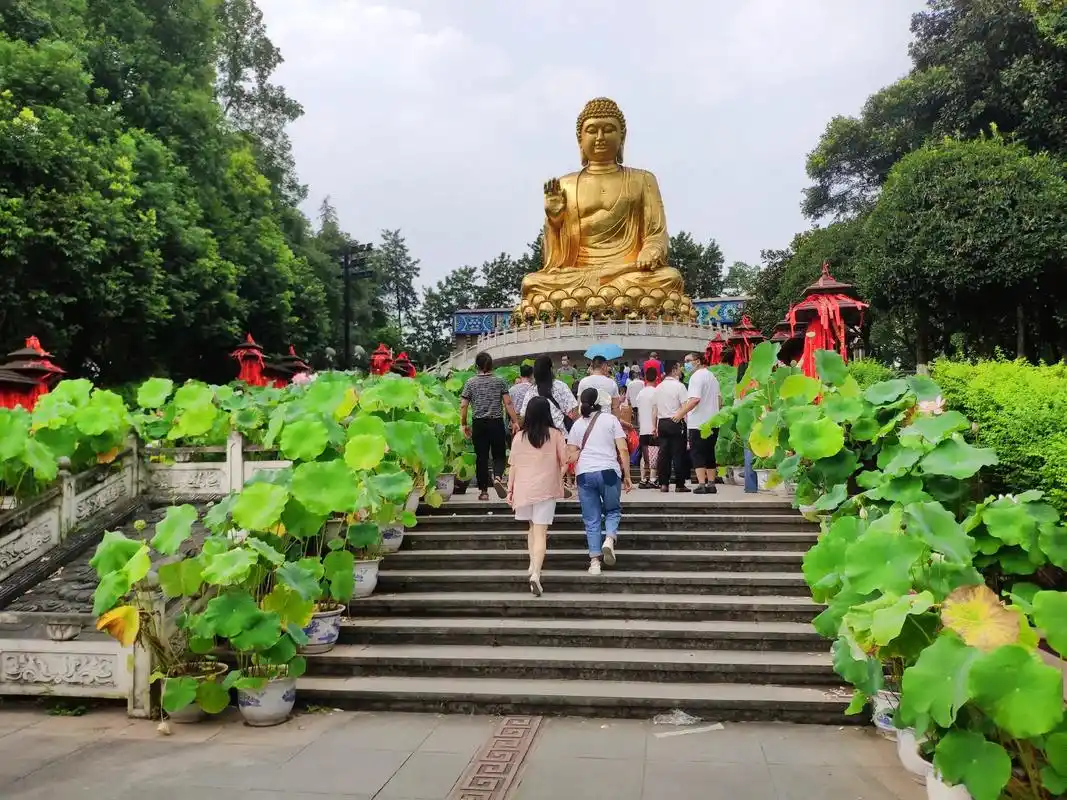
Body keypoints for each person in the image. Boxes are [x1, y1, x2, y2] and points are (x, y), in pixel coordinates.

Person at [567, 388, 632, 575]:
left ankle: (594, 562)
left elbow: (569, 456)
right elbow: (623, 449)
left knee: (591, 519)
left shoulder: (577, 424)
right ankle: (610, 539)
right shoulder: (611, 419)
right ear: (600, 401)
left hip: (585, 475)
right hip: (609, 472)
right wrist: (627, 475)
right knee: (612, 510)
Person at [507, 396, 567, 597]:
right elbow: (564, 461)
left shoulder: (519, 437)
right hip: (546, 489)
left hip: (524, 489)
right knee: (541, 532)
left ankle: (532, 565)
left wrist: (509, 491)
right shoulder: (556, 435)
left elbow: (513, 466)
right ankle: (536, 574)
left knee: (531, 528)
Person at [460, 352, 520, 501]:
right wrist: (515, 421)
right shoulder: (500, 382)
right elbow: (508, 403)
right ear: (491, 365)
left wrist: (464, 424)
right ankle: (498, 477)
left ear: (477, 366)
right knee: (499, 454)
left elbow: (463, 406)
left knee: (482, 457)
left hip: (479, 423)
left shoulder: (470, 383)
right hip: (496, 422)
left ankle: (484, 492)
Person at [674, 352, 721, 494]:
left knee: (697, 453)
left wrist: (680, 414)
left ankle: (701, 483)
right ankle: (711, 483)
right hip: (713, 421)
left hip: (699, 422)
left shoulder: (696, 377)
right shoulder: (712, 377)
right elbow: (720, 399)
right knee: (709, 452)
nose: (686, 364)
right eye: (684, 361)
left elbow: (694, 399)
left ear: (698, 361)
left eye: (688, 360)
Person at [653, 359, 690, 492]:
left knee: (664, 454)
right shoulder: (679, 386)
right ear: (674, 369)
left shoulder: (658, 387)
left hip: (662, 423)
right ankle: (680, 484)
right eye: (679, 368)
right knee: (678, 453)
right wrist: (680, 417)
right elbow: (686, 405)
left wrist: (654, 426)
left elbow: (655, 409)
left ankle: (664, 483)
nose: (681, 371)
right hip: (676, 421)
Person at [520, 354, 579, 433]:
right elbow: (574, 410)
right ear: (551, 369)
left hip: (539, 436)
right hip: (561, 433)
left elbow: (523, 415)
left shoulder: (531, 391)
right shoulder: (561, 386)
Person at [634, 366, 659, 488]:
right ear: (657, 378)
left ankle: (643, 479)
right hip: (654, 428)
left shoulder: (640, 394)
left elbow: (638, 412)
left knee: (644, 456)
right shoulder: (657, 392)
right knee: (654, 454)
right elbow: (656, 411)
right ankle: (653, 479)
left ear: (645, 378)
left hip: (643, 429)